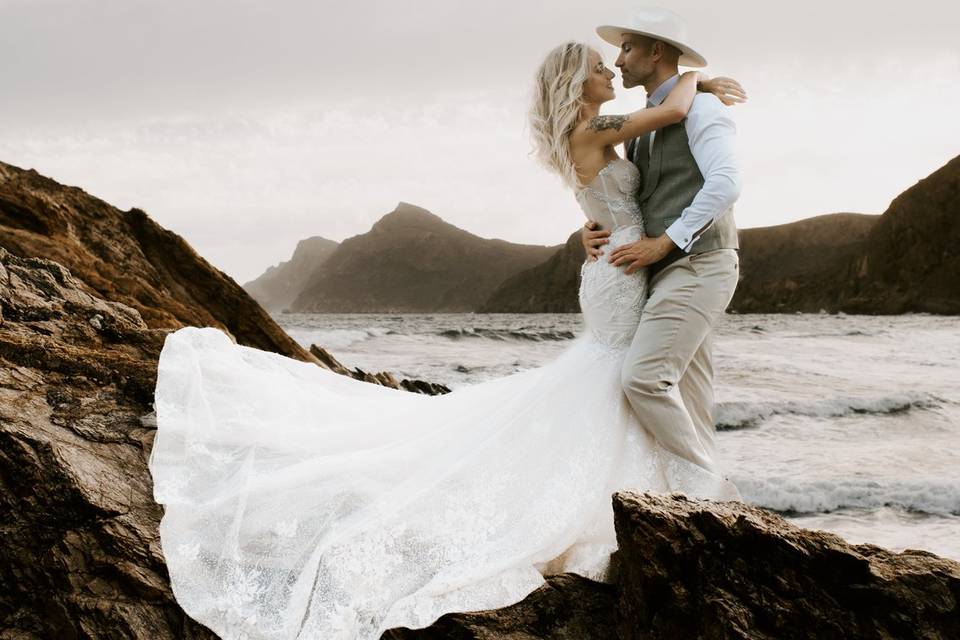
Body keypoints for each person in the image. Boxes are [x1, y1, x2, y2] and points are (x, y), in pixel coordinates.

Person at [147, 14, 744, 640]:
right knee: (623, 373)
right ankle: (687, 486)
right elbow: (672, 113)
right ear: (576, 83)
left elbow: (616, 187)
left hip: (619, 266)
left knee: (615, 376)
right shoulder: (595, 127)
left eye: (615, 57)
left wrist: (598, 226)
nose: (610, 67)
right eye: (599, 66)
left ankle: (666, 489)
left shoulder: (589, 133)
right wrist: (697, 79)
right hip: (622, 274)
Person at [584, 8, 746, 473]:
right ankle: (709, 512)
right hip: (662, 274)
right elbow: (628, 199)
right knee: (692, 399)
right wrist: (590, 229)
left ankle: (710, 490)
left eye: (628, 47)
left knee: (644, 379)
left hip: (700, 264)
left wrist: (665, 243)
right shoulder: (644, 124)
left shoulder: (704, 107)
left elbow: (726, 183)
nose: (618, 60)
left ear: (656, 51)